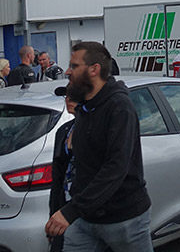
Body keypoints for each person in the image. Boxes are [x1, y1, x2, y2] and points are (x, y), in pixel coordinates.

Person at [46, 42, 152, 252]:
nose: (68, 72)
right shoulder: (85, 108)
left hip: (124, 219)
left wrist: (70, 211)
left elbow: (115, 168)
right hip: (84, 218)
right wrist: (62, 211)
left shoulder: (119, 108)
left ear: (94, 69)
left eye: (74, 66)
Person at [49, 84, 88, 252]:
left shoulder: (94, 127)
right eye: (66, 96)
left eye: (73, 96)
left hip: (87, 208)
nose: (68, 100)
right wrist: (53, 213)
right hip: (64, 206)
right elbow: (57, 176)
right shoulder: (63, 131)